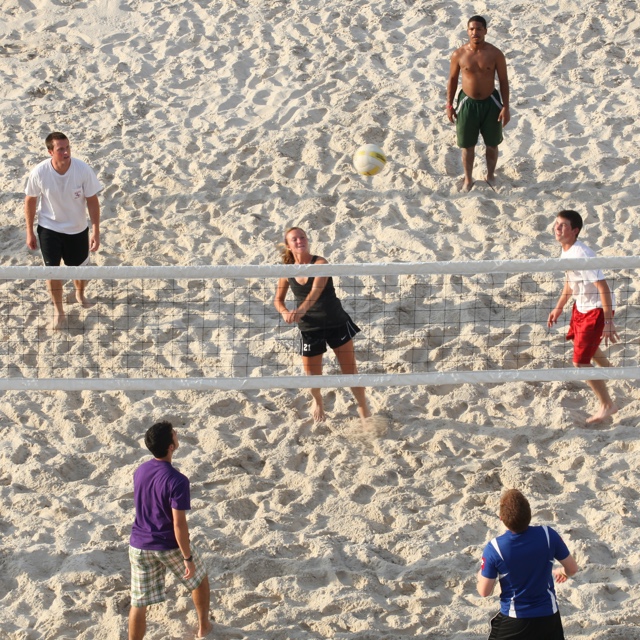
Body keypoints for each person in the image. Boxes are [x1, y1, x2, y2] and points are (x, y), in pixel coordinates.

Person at [274, 227, 372, 425]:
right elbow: (278, 299)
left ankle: (363, 408)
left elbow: (316, 292)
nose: (300, 240)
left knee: (350, 371)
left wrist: (300, 310)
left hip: (336, 322)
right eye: (295, 239)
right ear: (288, 245)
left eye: (302, 237)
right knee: (312, 376)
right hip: (310, 329)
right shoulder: (286, 270)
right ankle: (317, 401)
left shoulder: (320, 262)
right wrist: (284, 311)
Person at [128, 421, 212, 640]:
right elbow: (179, 525)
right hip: (166, 544)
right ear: (171, 446)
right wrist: (188, 557)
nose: (177, 434)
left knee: (139, 603)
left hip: (138, 544)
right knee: (199, 579)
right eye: (174, 433)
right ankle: (204, 627)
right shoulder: (178, 480)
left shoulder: (141, 470)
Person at [24, 132, 102, 329]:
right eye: (61, 149)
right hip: (49, 227)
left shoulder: (82, 169)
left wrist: (96, 230)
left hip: (77, 229)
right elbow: (30, 201)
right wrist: (29, 231)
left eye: (67, 147)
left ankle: (80, 294)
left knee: (80, 268)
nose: (66, 152)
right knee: (52, 272)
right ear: (50, 152)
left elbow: (92, 201)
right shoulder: (39, 172)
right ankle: (59, 311)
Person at [477, 489, 579, 640]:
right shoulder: (547, 534)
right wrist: (562, 572)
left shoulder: (495, 548)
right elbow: (572, 569)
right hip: (548, 617)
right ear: (529, 515)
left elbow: (484, 591)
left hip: (515, 619)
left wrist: (480, 574)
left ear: (501, 518)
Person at [547, 209, 619, 424]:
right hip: (582, 306)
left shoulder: (582, 254)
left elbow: (603, 286)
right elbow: (570, 283)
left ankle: (607, 405)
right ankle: (612, 373)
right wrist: (559, 307)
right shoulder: (566, 251)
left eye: (563, 225)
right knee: (584, 344)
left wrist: (608, 321)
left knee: (580, 361)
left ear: (574, 231)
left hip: (597, 309)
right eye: (556, 224)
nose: (557, 228)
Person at [446, 15, 510, 191]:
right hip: (467, 102)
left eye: (479, 29)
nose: (475, 32)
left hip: (491, 102)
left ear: (485, 31)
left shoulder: (495, 54)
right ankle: (468, 179)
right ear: (468, 31)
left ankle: (490, 175)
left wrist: (506, 107)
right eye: (472, 29)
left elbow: (503, 81)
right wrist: (449, 105)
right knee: (467, 145)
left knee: (492, 144)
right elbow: (452, 80)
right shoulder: (459, 54)